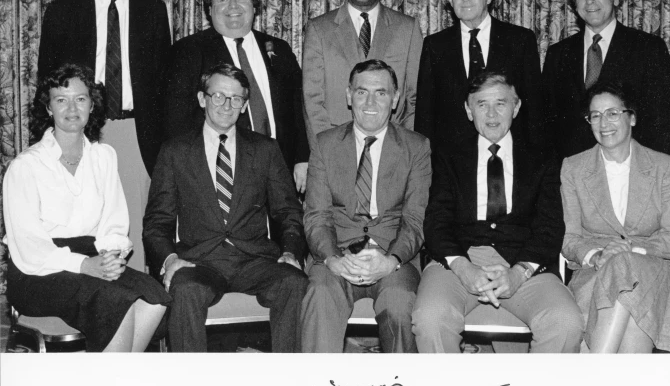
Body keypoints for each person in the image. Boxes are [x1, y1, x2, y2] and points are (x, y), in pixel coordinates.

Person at [3, 64, 170, 352]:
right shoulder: (26, 166)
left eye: (80, 99)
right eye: (61, 100)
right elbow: (30, 247)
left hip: (92, 256)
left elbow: (114, 222)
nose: (71, 108)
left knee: (154, 296)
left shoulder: (103, 156)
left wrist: (111, 257)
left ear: (92, 105)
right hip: (37, 271)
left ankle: (115, 381)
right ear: (48, 108)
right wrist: (84, 266)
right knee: (115, 301)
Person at [412, 71, 583, 353]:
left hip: (523, 263)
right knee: (431, 318)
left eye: (501, 103)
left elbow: (550, 227)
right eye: (481, 104)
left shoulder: (542, 157)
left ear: (515, 107)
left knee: (565, 322)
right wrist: (463, 268)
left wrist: (519, 273)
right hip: (457, 262)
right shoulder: (448, 156)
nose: (491, 114)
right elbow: (436, 222)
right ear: (469, 110)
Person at [144, 63, 308, 352]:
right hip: (200, 260)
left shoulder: (265, 149)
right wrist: (169, 260)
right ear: (202, 99)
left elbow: (287, 212)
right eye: (218, 96)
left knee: (293, 282)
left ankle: (288, 385)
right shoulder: (175, 151)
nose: (226, 105)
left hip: (254, 259)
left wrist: (290, 252)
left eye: (236, 99)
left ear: (244, 105)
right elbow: (157, 221)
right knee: (185, 288)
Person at [37, 0, 172, 272]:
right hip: (80, 130)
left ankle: (142, 309)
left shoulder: (153, 11)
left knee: (138, 225)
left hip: (136, 133)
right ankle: (91, 303)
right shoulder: (63, 12)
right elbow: (46, 83)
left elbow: (163, 84)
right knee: (84, 222)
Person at [301, 60, 431, 353]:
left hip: (392, 256)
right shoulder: (325, 144)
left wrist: (391, 260)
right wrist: (332, 258)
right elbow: (316, 216)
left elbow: (415, 218)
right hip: (337, 253)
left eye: (381, 93)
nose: (370, 102)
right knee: (319, 294)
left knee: (400, 304)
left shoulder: (417, 147)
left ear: (395, 98)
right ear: (349, 96)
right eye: (362, 92)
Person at [561, 82, 670, 353]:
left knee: (626, 265)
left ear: (632, 117)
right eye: (595, 115)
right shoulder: (573, 168)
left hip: (655, 267)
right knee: (628, 289)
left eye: (612, 113)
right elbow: (570, 239)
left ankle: (598, 377)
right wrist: (597, 255)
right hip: (596, 270)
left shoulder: (664, 166)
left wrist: (630, 249)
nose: (603, 122)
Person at [164, 0, 309, 192]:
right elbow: (177, 121)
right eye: (223, 0)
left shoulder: (278, 49)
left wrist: (302, 158)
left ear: (254, 6)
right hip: (220, 173)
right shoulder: (188, 51)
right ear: (210, 10)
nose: (233, 7)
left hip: (281, 169)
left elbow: (299, 108)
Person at [543, 0, 670, 159]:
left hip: (633, 173)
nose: (590, 1)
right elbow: (546, 126)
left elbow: (665, 121)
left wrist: (659, 176)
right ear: (574, 3)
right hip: (573, 178)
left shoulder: (648, 48)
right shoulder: (557, 54)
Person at [416, 0, 544, 152]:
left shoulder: (520, 40)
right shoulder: (435, 45)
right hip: (452, 163)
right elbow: (425, 115)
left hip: (511, 158)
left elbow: (534, 110)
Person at [302, 0, 423, 141]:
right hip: (337, 145)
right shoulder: (319, 29)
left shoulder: (407, 28)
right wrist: (326, 149)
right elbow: (313, 100)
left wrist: (405, 145)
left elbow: (414, 97)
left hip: (393, 147)